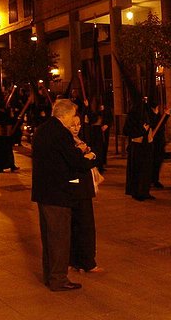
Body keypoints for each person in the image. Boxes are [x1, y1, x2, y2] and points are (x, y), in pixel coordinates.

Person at [32, 99, 93, 291]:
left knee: (49, 237)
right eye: (72, 115)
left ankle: (49, 275)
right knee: (59, 237)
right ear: (64, 115)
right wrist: (89, 158)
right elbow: (75, 162)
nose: (74, 119)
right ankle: (58, 279)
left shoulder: (42, 130)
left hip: (44, 192)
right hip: (58, 192)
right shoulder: (60, 133)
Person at [68, 115, 101, 273]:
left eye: (78, 124)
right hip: (78, 188)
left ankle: (77, 260)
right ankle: (86, 262)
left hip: (81, 187)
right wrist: (90, 157)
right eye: (73, 125)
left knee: (79, 225)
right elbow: (79, 163)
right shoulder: (68, 142)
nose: (77, 127)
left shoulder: (78, 139)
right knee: (83, 225)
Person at [123, 98, 155, 201]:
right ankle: (137, 192)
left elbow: (153, 123)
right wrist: (141, 130)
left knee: (146, 170)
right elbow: (127, 130)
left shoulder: (146, 112)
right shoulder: (132, 115)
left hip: (147, 144)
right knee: (137, 170)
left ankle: (145, 192)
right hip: (137, 146)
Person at [149, 100, 169, 189]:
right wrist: (166, 116)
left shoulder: (157, 115)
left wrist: (166, 115)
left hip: (159, 141)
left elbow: (161, 123)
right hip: (154, 141)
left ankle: (154, 179)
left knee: (158, 161)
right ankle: (152, 180)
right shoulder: (151, 116)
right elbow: (158, 124)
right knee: (154, 161)